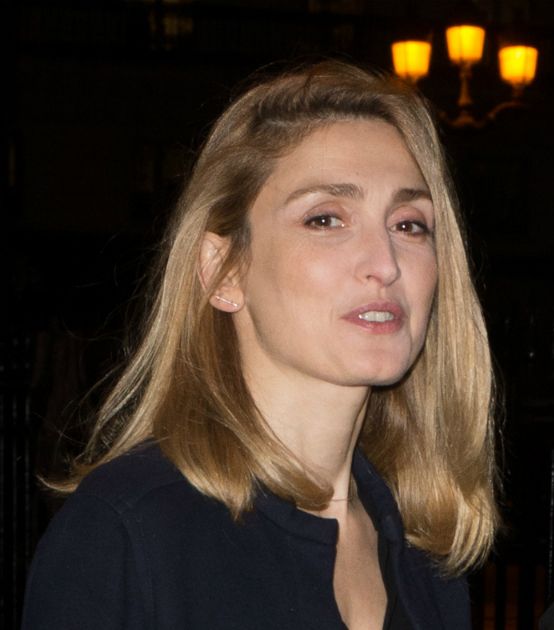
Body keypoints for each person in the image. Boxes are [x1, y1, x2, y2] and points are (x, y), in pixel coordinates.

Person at [23, 60, 499, 629]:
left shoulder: (427, 552)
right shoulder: (127, 532)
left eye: (409, 224)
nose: (385, 263)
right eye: (326, 219)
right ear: (224, 270)